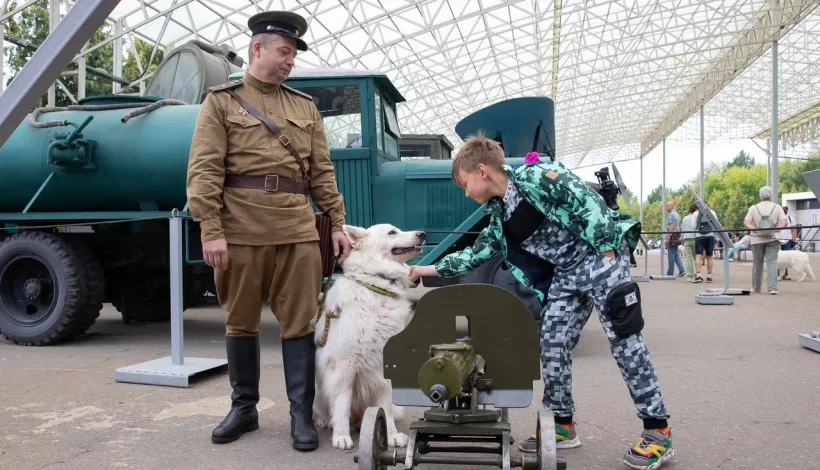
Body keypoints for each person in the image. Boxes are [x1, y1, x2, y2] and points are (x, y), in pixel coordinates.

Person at [410, 135, 673, 470]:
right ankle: (562, 425)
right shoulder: (501, 215)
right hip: (567, 273)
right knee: (551, 343)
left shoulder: (537, 176)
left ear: (481, 170)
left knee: (625, 340)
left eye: (465, 184)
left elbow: (585, 199)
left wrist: (607, 253)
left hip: (598, 260)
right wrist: (423, 269)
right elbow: (475, 255)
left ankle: (657, 431)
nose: (466, 193)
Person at [186, 10, 350, 451]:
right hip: (240, 229)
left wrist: (335, 222)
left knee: (299, 324)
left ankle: (301, 415)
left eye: (294, 54)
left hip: (296, 230)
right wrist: (210, 229)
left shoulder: (304, 106)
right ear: (258, 48)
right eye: (284, 51)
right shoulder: (221, 101)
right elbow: (204, 170)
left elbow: (322, 172)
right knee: (240, 322)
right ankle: (244, 409)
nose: (290, 60)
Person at [744, 186, 788, 294]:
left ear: (760, 195)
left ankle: (756, 288)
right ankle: (772, 288)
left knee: (757, 264)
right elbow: (784, 222)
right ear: (771, 195)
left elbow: (746, 223)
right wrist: (775, 229)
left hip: (757, 239)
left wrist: (755, 229)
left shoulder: (754, 208)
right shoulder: (777, 207)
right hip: (773, 238)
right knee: (772, 263)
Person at [693, 207, 719, 283]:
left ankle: (698, 275)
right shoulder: (712, 212)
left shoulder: (696, 213)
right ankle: (709, 277)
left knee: (698, 256)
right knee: (709, 257)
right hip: (710, 235)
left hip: (699, 236)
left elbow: (693, 226)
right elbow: (716, 224)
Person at [664, 201, 685, 277]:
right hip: (676, 236)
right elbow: (679, 226)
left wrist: (667, 238)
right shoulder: (676, 214)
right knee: (676, 255)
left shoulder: (672, 215)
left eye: (667, 205)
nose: (666, 207)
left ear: (672, 206)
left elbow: (671, 227)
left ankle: (670, 272)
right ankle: (682, 270)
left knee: (671, 255)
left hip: (672, 236)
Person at [778, 206, 798, 280]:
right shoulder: (777, 218)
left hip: (788, 240)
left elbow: (793, 230)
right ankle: (779, 274)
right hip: (778, 240)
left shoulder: (790, 219)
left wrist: (793, 239)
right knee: (779, 259)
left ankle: (785, 275)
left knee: (786, 258)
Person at [680, 204, 698, 281]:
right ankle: (698, 273)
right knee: (696, 258)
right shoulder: (697, 217)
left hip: (687, 238)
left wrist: (682, 239)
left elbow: (683, 229)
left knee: (688, 258)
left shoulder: (685, 218)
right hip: (696, 238)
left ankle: (689, 275)